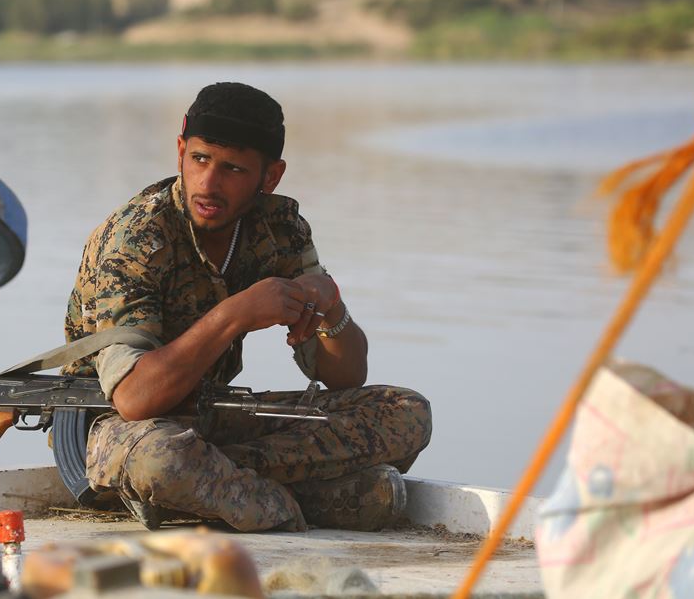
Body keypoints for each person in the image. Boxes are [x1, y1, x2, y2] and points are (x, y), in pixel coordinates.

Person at [63, 82, 431, 532]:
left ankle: (217, 485)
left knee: (405, 412)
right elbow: (136, 397)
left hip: (213, 417)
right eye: (199, 159)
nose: (209, 183)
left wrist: (332, 310)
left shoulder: (281, 230)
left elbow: (343, 378)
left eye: (233, 169)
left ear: (270, 177)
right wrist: (236, 314)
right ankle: (286, 501)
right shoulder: (135, 239)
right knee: (163, 462)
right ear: (180, 151)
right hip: (122, 429)